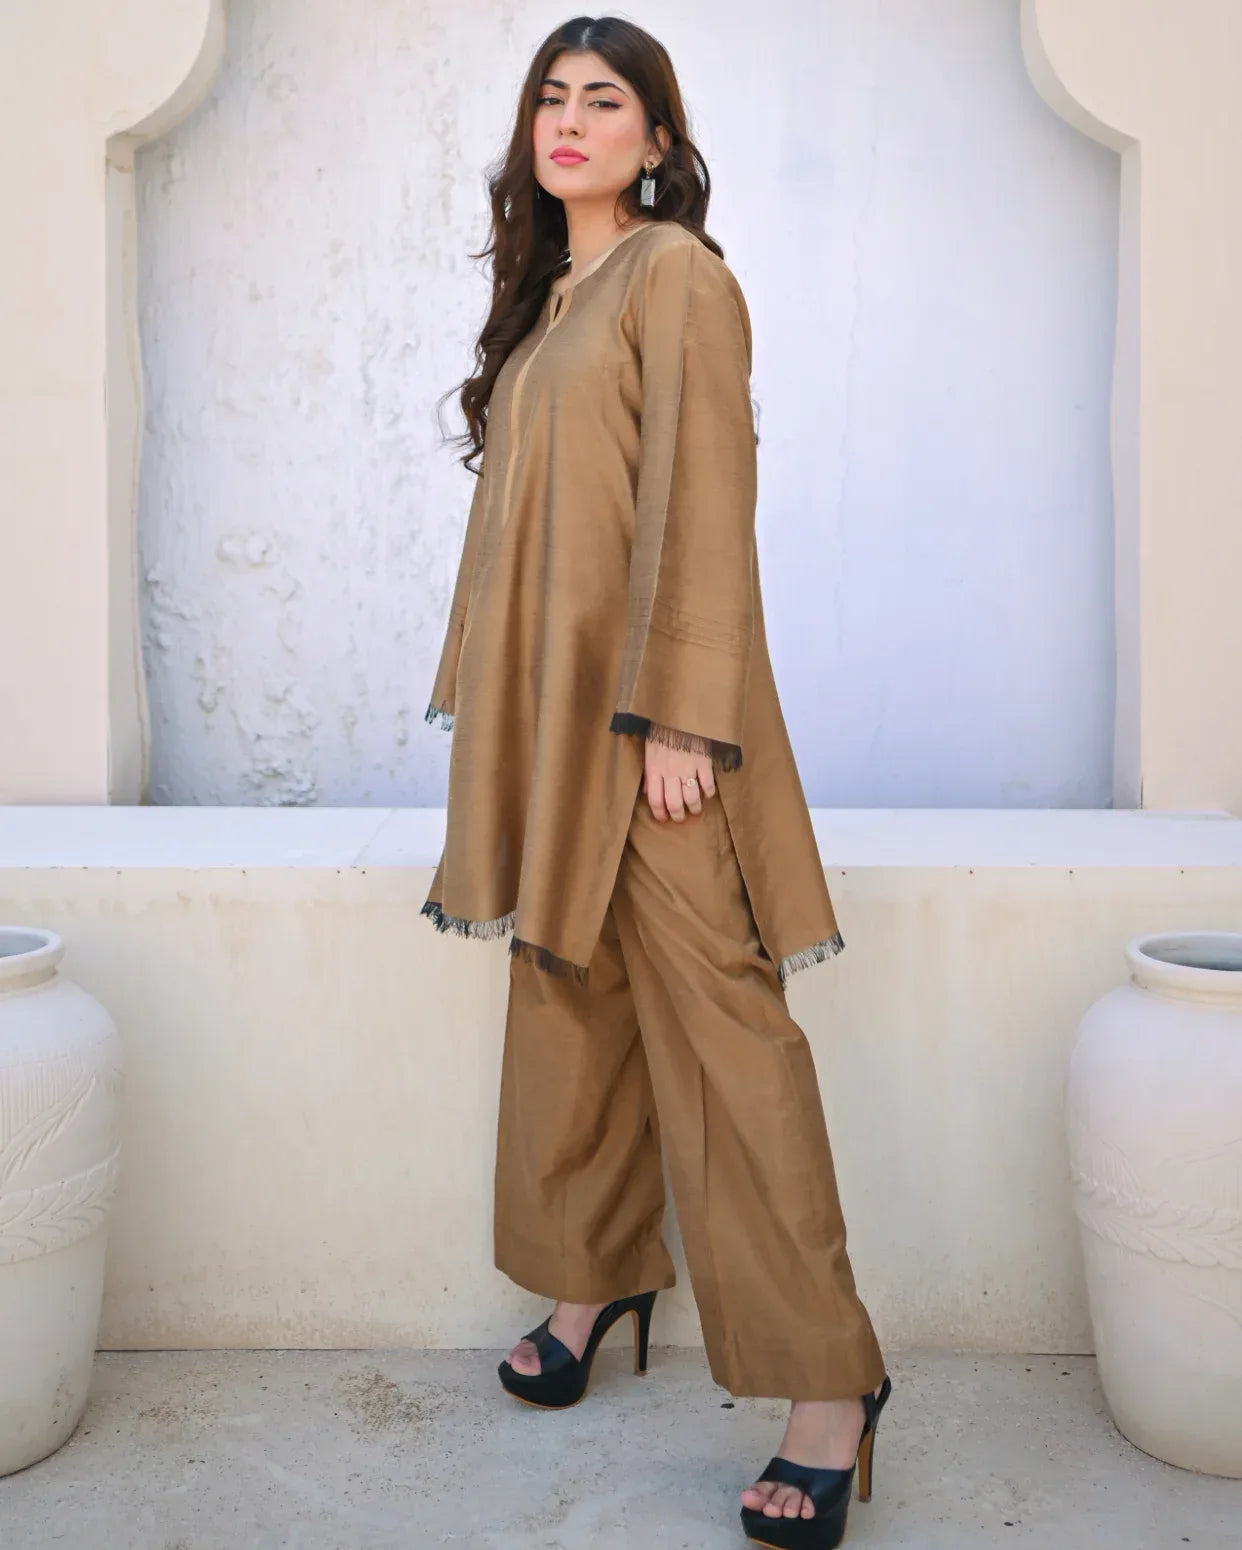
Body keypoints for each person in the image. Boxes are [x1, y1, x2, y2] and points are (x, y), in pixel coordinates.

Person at [421, 16, 893, 1547]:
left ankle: (828, 1384)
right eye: (548, 99)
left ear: (656, 140)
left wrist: (681, 715)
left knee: (727, 1034)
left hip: (651, 730)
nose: (568, 120)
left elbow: (704, 490)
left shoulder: (673, 274)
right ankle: (593, 1275)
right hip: (559, 724)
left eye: (602, 100)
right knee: (572, 995)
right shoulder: (553, 297)